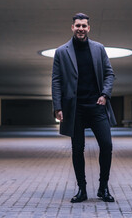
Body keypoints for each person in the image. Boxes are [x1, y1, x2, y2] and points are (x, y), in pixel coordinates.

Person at [52, 13, 116, 203]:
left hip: (97, 106)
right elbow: (56, 81)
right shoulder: (62, 52)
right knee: (77, 149)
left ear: (89, 28)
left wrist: (104, 95)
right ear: (72, 27)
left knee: (107, 145)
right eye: (77, 25)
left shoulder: (99, 49)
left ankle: (103, 188)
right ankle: (82, 189)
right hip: (75, 109)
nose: (81, 28)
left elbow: (109, 74)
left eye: (84, 26)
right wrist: (58, 106)